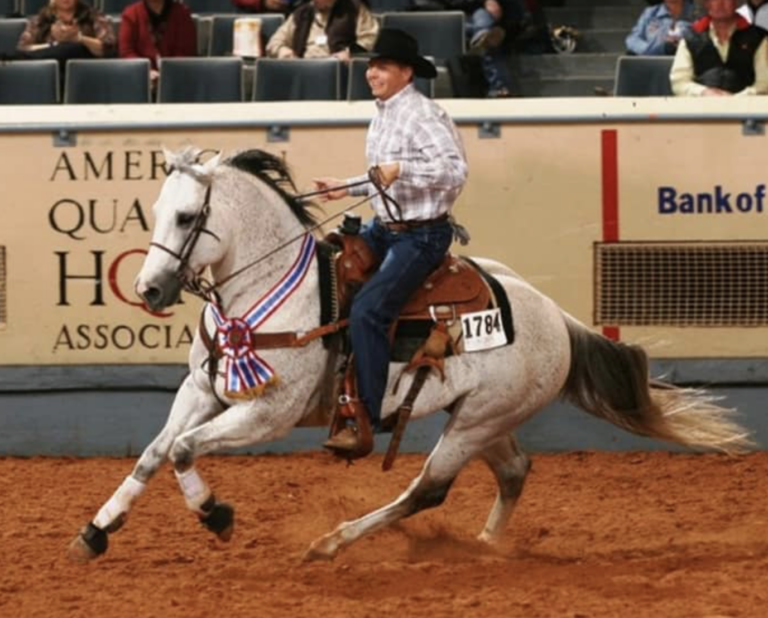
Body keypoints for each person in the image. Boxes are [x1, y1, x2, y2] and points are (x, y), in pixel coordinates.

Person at [313, 29, 468, 456]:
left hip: (421, 235)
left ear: (405, 72)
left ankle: (369, 413)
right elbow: (383, 178)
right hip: (385, 227)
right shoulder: (383, 113)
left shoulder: (424, 115)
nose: (371, 73)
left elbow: (453, 173)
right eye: (370, 65)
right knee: (329, 271)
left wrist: (402, 170)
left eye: (381, 66)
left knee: (368, 310)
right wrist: (345, 187)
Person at [670, 0, 768, 96]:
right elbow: (679, 82)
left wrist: (737, 99)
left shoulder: (758, 38)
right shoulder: (690, 38)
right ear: (706, 4)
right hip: (700, 108)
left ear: (736, 3)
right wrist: (704, 92)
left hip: (748, 109)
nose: (720, 3)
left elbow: (764, 83)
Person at [265, 0, 378, 61]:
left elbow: (370, 38)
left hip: (338, 68)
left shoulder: (354, 8)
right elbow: (275, 42)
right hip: (303, 66)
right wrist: (282, 50)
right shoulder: (301, 12)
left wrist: (350, 53)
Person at [119, 0, 196, 87]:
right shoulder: (131, 13)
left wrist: (167, 73)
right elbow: (126, 52)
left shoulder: (182, 13)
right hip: (138, 80)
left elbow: (185, 51)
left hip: (176, 80)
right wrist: (145, 71)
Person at [17, 0, 115, 61]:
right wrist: (54, 45)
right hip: (45, 73)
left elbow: (107, 48)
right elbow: (23, 49)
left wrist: (79, 39)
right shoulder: (40, 19)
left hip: (85, 73)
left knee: (73, 49)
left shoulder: (94, 15)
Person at [625, 0, 696, 56]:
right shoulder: (650, 12)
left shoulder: (697, 12)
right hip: (652, 64)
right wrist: (656, 49)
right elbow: (632, 40)